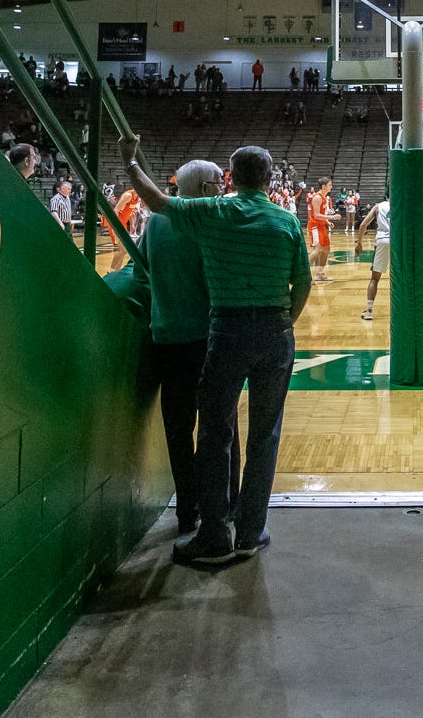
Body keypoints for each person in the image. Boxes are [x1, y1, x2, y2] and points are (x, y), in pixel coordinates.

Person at [120, 135, 309, 566]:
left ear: (231, 177)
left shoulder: (215, 212)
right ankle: (250, 530)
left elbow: (158, 202)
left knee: (214, 431)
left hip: (226, 331)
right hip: (276, 332)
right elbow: (304, 284)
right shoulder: (286, 222)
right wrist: (283, 323)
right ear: (267, 178)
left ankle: (212, 534)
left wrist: (131, 164)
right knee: (264, 435)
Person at [140, 160, 225, 537]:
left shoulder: (155, 222)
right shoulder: (206, 222)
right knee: (218, 428)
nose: (222, 188)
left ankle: (186, 511)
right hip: (204, 338)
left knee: (178, 429)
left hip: (165, 336)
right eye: (218, 183)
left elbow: (141, 265)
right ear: (205, 189)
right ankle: (221, 509)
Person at [354, 194, 391, 321]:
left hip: (382, 241)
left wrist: (359, 243)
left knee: (374, 279)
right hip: (399, 241)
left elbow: (363, 224)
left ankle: (369, 311)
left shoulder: (378, 207)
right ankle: (403, 310)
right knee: (401, 278)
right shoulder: (402, 205)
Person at [308, 177, 336, 283]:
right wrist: (332, 217)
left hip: (321, 226)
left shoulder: (325, 197)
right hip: (315, 226)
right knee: (317, 250)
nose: (331, 187)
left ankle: (320, 274)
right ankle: (304, 275)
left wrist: (327, 222)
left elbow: (322, 213)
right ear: (324, 186)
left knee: (326, 249)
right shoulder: (317, 197)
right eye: (330, 185)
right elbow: (316, 215)